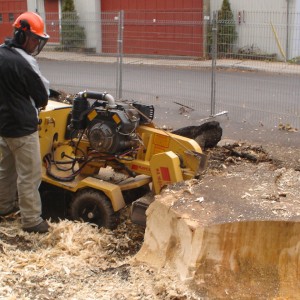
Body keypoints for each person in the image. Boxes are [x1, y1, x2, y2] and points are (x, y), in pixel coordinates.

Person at [0, 12, 50, 233]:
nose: (35, 45)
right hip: (22, 128)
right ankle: (31, 221)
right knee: (29, 175)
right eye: (33, 39)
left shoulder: (1, 53)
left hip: (3, 126)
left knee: (5, 170)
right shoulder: (25, 62)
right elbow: (42, 96)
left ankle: (4, 207)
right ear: (21, 35)